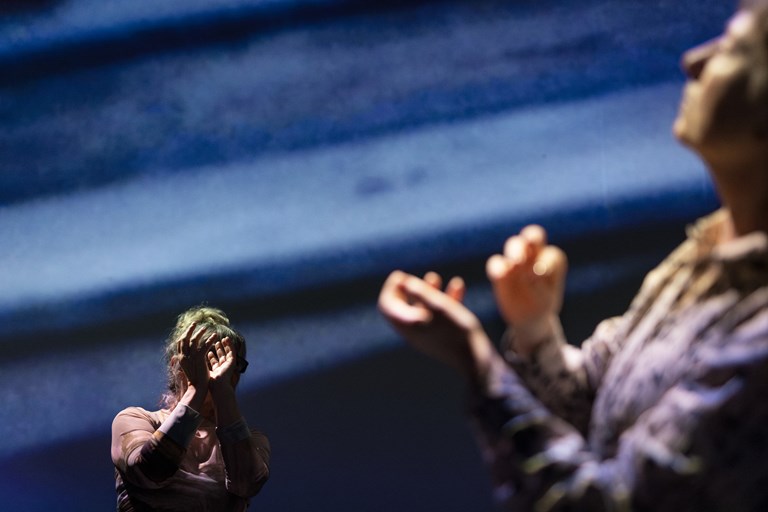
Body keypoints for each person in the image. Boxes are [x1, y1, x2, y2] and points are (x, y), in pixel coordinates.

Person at [378, 1, 768, 510]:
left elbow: (608, 500)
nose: (694, 59)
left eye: (733, 48)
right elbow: (597, 413)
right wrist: (536, 330)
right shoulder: (710, 250)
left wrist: (475, 360)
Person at [111, 306, 270, 511]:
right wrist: (196, 389)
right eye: (207, 358)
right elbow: (149, 471)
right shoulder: (135, 419)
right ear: (177, 365)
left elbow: (247, 484)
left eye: (231, 362)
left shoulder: (252, 440)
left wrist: (223, 393)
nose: (219, 369)